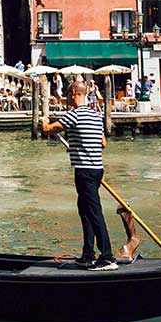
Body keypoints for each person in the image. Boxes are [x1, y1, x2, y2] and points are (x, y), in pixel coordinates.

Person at [41, 79, 118, 271]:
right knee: (85, 210)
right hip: (97, 169)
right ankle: (88, 255)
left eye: (67, 93)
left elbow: (47, 130)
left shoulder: (74, 115)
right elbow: (103, 143)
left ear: (74, 93)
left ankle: (107, 257)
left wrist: (44, 121)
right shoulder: (96, 116)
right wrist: (79, 144)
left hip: (84, 171)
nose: (66, 97)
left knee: (94, 212)